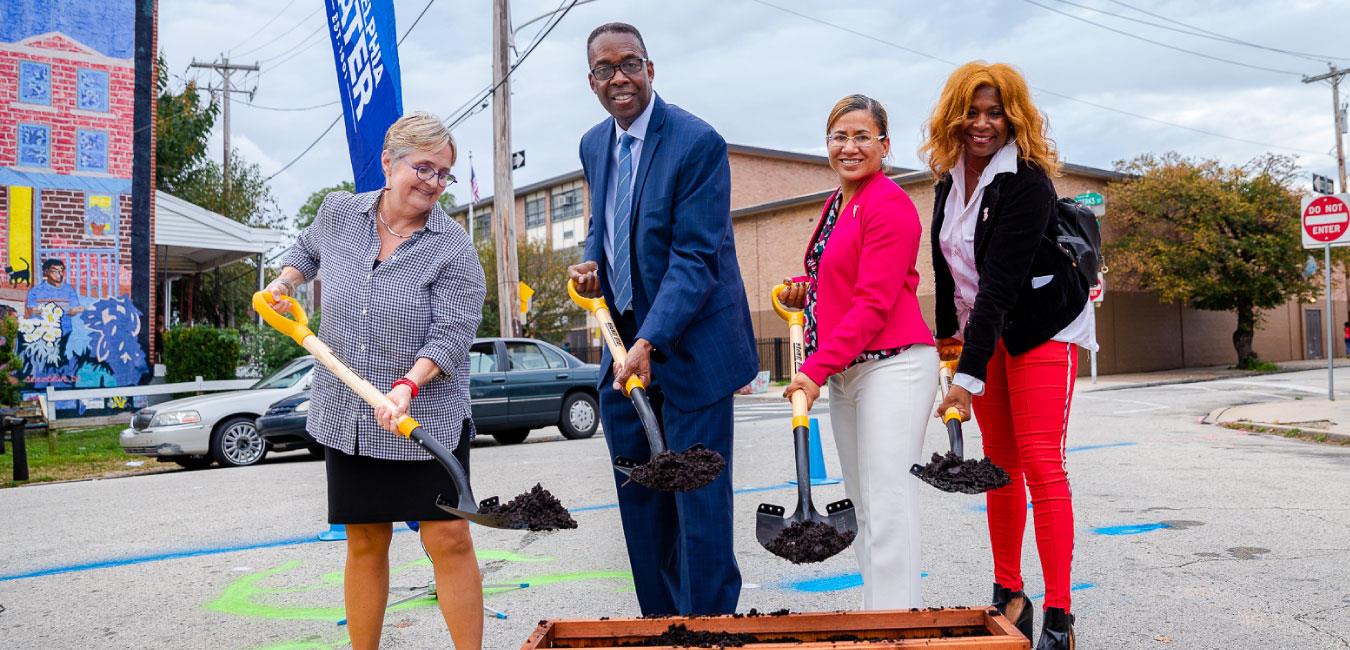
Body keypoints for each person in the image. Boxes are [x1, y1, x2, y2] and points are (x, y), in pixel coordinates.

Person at [263, 112, 487, 650]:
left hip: (424, 416)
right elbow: (307, 249)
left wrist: (408, 385)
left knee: (449, 537)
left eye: (444, 174)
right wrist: (286, 280)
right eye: (424, 168)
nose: (433, 183)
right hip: (349, 415)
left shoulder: (452, 246)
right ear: (389, 163)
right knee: (365, 538)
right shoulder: (340, 212)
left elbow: (452, 333)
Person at [567, 22, 758, 616]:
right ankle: (661, 627)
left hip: (693, 349)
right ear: (591, 80)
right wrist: (591, 264)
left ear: (651, 69)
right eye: (605, 69)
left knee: (699, 511)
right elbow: (606, 222)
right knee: (642, 507)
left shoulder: (697, 142)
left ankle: (710, 628)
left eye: (630, 64)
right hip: (621, 350)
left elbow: (696, 257)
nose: (618, 77)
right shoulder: (594, 144)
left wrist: (649, 339)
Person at [922, 62, 1093, 649]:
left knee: (1042, 464)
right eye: (972, 111)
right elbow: (948, 275)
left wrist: (964, 382)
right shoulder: (948, 182)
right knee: (999, 468)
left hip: (1042, 327)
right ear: (954, 115)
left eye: (995, 112)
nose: (982, 123)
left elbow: (999, 283)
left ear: (1013, 116)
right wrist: (951, 349)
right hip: (983, 334)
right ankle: (1009, 596)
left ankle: (1060, 618)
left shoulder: (1026, 182)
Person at [777, 95, 936, 609]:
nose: (849, 146)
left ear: (885, 145)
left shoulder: (889, 202)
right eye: (839, 136)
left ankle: (897, 631)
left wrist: (814, 370)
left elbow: (874, 302)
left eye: (862, 136)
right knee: (867, 509)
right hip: (850, 372)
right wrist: (807, 287)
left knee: (889, 508)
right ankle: (880, 622)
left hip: (894, 366)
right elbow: (843, 278)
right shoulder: (839, 201)